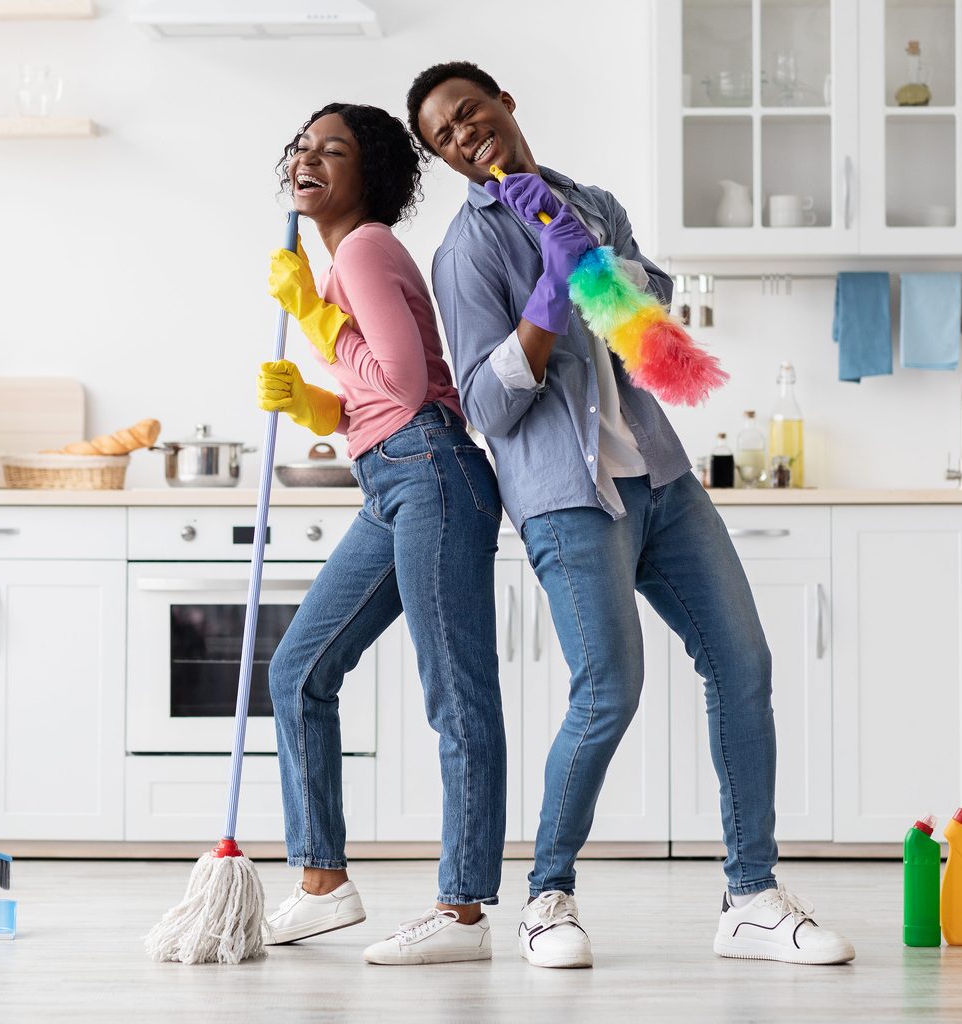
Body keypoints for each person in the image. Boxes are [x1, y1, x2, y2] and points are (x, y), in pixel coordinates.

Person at [407, 62, 855, 968]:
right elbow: (487, 408)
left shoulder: (592, 204)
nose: (463, 135)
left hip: (661, 478)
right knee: (609, 688)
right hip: (566, 499)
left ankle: (750, 896)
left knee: (743, 664)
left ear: (504, 102)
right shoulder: (465, 252)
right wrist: (549, 295)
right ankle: (547, 898)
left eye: (468, 112)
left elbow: (653, 333)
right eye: (443, 137)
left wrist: (595, 261)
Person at [259, 101, 505, 966]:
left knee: (457, 698)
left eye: (334, 149)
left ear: (371, 174)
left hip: (430, 471)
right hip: (397, 476)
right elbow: (377, 399)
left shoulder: (363, 248)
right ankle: (323, 883)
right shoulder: (345, 260)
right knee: (297, 671)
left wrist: (316, 317)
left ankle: (463, 914)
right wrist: (313, 403)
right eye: (303, 147)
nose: (309, 158)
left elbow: (402, 386)